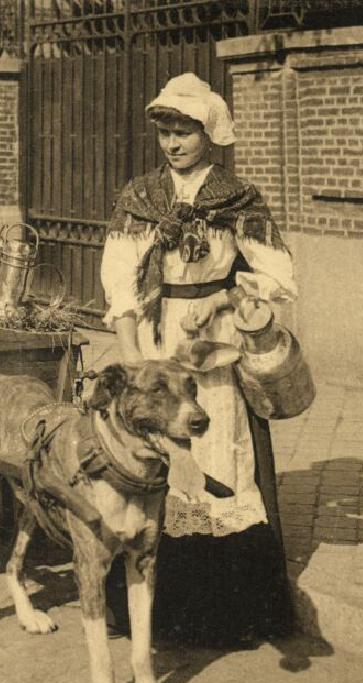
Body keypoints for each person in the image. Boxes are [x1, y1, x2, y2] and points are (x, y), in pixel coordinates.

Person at [100, 73, 295, 646]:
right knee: (155, 465)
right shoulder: (141, 198)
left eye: (185, 131)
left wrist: (223, 300)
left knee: (219, 458)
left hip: (215, 351)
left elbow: (280, 276)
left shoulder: (237, 199)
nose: (174, 143)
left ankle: (220, 618)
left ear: (209, 132)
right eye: (165, 132)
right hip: (159, 350)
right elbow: (119, 282)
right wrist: (133, 354)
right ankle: (156, 614)